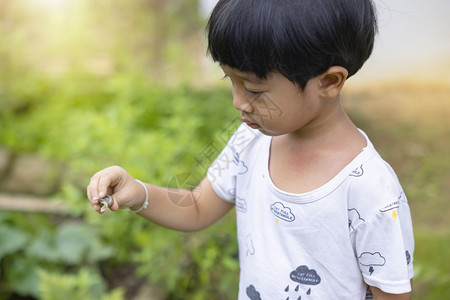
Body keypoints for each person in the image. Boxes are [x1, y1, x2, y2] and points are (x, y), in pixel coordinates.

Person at [87, 0, 415, 298]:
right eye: (230, 80)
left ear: (328, 82)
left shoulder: (368, 188)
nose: (238, 102)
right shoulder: (251, 141)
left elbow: (391, 292)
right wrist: (137, 192)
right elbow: (197, 207)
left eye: (255, 89)